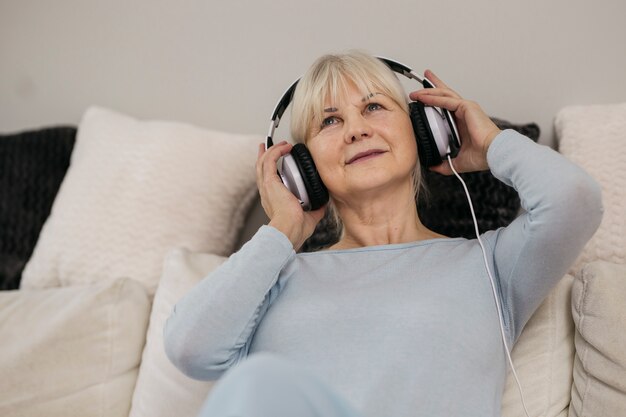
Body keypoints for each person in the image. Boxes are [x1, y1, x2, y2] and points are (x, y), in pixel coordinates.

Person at [164, 51, 603, 417]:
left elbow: (575, 200)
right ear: (303, 167)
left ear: (424, 130)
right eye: (329, 122)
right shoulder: (274, 278)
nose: (356, 129)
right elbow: (190, 347)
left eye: (374, 107)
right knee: (257, 384)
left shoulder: (490, 266)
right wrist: (282, 231)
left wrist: (489, 144)